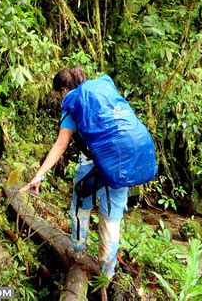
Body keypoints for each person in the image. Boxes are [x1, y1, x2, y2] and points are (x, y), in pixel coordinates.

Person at [19, 66, 129, 280]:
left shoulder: (73, 106)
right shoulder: (104, 97)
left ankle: (78, 253)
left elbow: (60, 145)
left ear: (63, 90)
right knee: (112, 221)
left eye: (58, 95)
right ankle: (105, 277)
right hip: (123, 164)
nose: (59, 100)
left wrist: (38, 175)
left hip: (92, 167)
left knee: (80, 208)